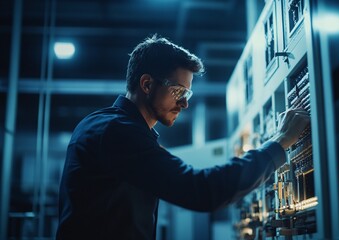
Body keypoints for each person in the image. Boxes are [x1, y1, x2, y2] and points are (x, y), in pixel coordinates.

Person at [56, 34, 310, 240]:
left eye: (187, 95)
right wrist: (278, 144)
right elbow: (201, 190)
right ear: (146, 84)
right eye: (179, 92)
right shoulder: (115, 132)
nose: (184, 104)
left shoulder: (115, 129)